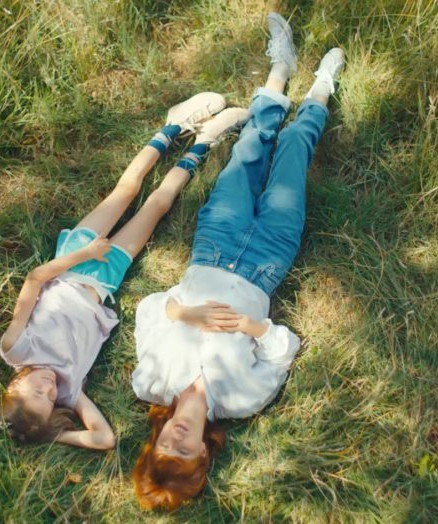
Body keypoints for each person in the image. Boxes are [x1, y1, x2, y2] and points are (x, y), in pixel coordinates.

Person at [131, 12, 345, 509]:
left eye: (165, 447)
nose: (176, 439)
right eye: (185, 451)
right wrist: (252, 327)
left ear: (154, 442)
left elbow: (150, 309)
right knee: (293, 150)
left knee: (250, 146)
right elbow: (284, 349)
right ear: (204, 454)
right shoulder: (243, 400)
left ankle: (280, 67)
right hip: (267, 261)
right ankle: (323, 85)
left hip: (214, 245)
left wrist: (186, 313)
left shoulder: (151, 383)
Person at [0, 93, 250, 449]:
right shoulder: (69, 388)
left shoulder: (16, 349)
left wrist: (85, 253)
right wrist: (51, 433)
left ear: (14, 386)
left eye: (37, 392)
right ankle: (204, 142)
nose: (49, 389)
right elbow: (104, 438)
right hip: (105, 280)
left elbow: (35, 279)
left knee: (128, 189)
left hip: (73, 262)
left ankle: (173, 126)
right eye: (49, 400)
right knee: (158, 205)